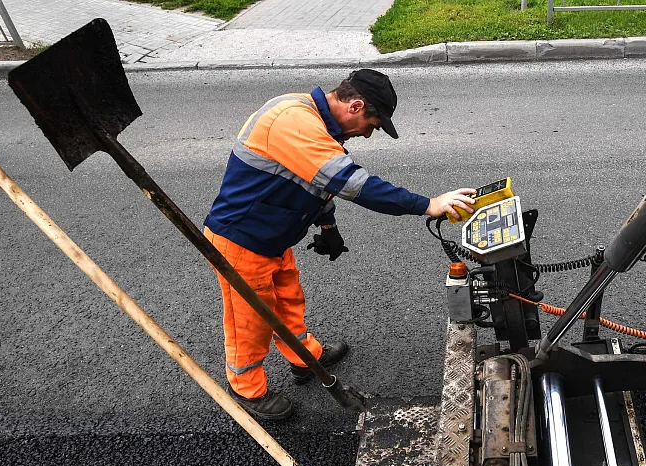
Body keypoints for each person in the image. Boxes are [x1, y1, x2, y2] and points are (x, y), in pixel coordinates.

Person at [203, 69, 476, 420]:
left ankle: (305, 357)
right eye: (372, 124)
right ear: (356, 105)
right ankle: (247, 389)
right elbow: (350, 182)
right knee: (251, 319)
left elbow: (312, 180)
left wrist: (328, 223)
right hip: (241, 240)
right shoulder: (292, 119)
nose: (367, 133)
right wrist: (426, 204)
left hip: (272, 235)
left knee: (288, 298)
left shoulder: (314, 122)